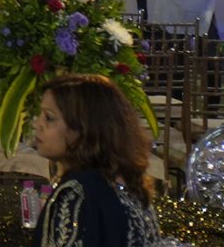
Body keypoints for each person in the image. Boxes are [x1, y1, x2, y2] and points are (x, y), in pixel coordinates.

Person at [31, 74, 162, 247]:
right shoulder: (126, 181)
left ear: (84, 128)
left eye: (49, 117)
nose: (37, 124)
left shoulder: (77, 195)